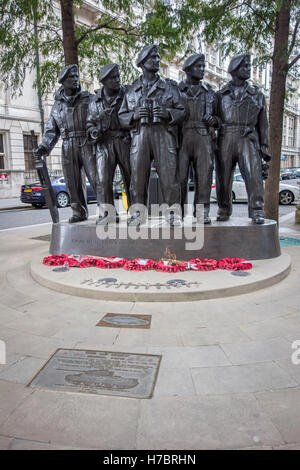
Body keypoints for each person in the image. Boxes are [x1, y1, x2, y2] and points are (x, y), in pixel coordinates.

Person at [118, 45, 186, 226]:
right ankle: (138, 214)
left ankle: (173, 214)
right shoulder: (131, 90)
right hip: (140, 136)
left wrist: (167, 113)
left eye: (157, 57)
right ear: (142, 63)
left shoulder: (169, 87)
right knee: (137, 178)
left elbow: (182, 110)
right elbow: (122, 116)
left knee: (169, 175)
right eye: (153, 58)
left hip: (164, 134)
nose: (157, 60)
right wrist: (134, 115)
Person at [35, 64, 96, 223]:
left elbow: (97, 118)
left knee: (97, 178)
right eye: (71, 77)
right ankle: (79, 212)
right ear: (63, 81)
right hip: (68, 144)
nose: (75, 79)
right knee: (72, 181)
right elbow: (51, 130)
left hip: (86, 142)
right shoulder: (57, 106)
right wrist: (44, 146)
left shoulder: (87, 98)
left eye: (76, 76)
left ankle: (107, 210)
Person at [215, 54, 271, 224]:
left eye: (249, 66)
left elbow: (263, 124)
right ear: (234, 70)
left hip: (248, 138)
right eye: (245, 66)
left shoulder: (257, 95)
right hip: (226, 137)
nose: (249, 69)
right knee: (223, 176)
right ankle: (223, 208)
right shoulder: (220, 95)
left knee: (253, 174)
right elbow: (214, 118)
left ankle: (257, 210)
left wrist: (263, 146)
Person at [86, 63, 131, 224]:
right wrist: (95, 131)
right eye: (113, 78)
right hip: (104, 143)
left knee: (131, 178)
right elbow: (89, 124)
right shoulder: (95, 101)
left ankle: (136, 212)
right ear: (104, 81)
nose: (117, 80)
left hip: (124, 140)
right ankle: (108, 214)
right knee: (103, 180)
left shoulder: (127, 94)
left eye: (118, 76)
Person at [178, 53, 218, 224]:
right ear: (188, 69)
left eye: (203, 66)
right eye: (198, 66)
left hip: (203, 138)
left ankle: (202, 213)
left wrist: (214, 120)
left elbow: (220, 118)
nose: (202, 70)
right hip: (182, 137)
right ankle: (176, 213)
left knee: (204, 177)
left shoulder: (210, 92)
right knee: (179, 178)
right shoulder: (176, 91)